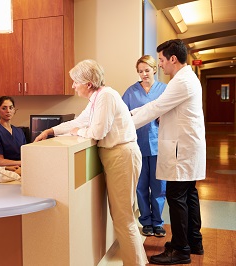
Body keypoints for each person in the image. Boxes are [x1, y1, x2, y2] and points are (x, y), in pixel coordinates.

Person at [34, 59, 148, 266]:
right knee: (122, 216)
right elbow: (80, 121)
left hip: (121, 156)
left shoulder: (106, 97)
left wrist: (79, 132)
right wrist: (51, 131)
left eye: (75, 82)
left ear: (87, 83)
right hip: (116, 157)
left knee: (123, 218)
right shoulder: (97, 99)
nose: (73, 86)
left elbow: (96, 131)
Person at [131, 39, 206, 265]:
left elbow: (156, 107)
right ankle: (194, 241)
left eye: (162, 60)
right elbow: (163, 108)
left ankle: (181, 250)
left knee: (177, 197)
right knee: (189, 194)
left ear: (173, 59)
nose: (160, 65)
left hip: (181, 150)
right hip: (187, 148)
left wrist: (124, 122)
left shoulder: (181, 82)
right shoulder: (187, 78)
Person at [122, 55, 167, 238]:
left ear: (155, 69)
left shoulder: (164, 90)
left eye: (147, 70)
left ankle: (158, 222)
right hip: (137, 145)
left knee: (159, 186)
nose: (143, 74)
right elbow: (123, 116)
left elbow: (172, 111)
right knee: (140, 186)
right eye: (140, 71)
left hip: (159, 145)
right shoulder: (131, 91)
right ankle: (146, 221)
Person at [0, 96, 26, 166]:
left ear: (14, 110)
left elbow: (25, 154)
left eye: (11, 108)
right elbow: (0, 161)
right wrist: (22, 163)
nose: (8, 111)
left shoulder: (19, 131)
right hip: (7, 169)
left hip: (23, 167)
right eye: (4, 108)